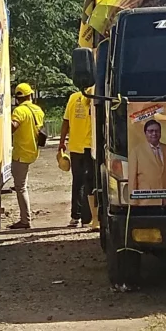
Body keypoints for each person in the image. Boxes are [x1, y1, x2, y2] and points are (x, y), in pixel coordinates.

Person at [9, 82, 45, 230]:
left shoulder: (19, 111)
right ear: (30, 95)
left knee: (20, 187)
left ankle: (25, 220)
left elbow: (14, 126)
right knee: (22, 185)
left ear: (17, 98)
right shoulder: (38, 110)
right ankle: (25, 218)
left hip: (21, 154)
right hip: (33, 151)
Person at [59, 87, 95, 228]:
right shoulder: (95, 97)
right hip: (91, 146)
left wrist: (62, 142)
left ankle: (75, 217)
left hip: (75, 146)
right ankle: (88, 218)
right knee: (90, 182)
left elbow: (65, 121)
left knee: (78, 182)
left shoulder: (73, 98)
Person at [130, 119, 166, 204]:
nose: (154, 133)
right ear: (145, 133)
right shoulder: (136, 151)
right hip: (146, 201)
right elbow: (132, 179)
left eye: (157, 131)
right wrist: (133, 203)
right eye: (151, 131)